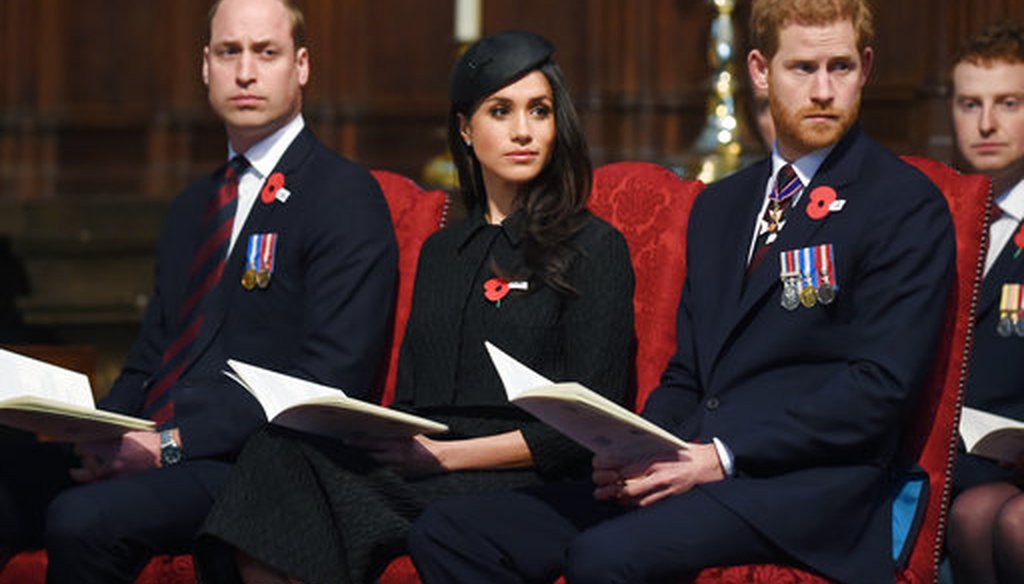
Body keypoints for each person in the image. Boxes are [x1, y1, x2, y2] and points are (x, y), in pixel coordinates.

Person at [408, 1, 956, 583]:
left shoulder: (904, 204)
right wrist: (638, 447)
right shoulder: (722, 207)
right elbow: (689, 374)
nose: (823, 89)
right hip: (695, 465)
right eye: (802, 68)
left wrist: (719, 456)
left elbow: (877, 390)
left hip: (809, 492)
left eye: (840, 67)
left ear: (866, 68)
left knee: (604, 556)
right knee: (451, 533)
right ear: (760, 70)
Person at [193, 30, 636, 584]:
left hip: (524, 478)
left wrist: (448, 457)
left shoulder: (595, 247)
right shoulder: (442, 252)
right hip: (423, 466)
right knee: (276, 451)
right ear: (465, 130)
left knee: (308, 495)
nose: (523, 131)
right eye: (500, 111)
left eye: (539, 111)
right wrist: (374, 431)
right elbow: (413, 399)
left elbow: (591, 423)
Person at [0, 0, 397, 581]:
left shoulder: (342, 196)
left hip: (250, 463)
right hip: (154, 444)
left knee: (81, 519)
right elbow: (148, 364)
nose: (245, 72)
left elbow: (329, 379)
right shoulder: (193, 207)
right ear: (204, 66)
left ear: (302, 65)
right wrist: (95, 434)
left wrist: (171, 446)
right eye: (228, 52)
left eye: (266, 52)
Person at [945, 21, 1024, 584]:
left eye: (1009, 103)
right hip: (957, 459)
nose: (987, 124)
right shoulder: (937, 218)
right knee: (973, 515)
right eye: (970, 104)